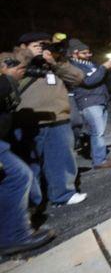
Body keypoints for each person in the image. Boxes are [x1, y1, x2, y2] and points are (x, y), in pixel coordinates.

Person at [11, 33, 87, 206]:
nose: (41, 47)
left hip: (58, 118)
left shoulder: (54, 63)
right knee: (29, 164)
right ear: (22, 46)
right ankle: (31, 202)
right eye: (35, 44)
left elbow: (78, 77)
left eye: (44, 44)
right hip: (26, 121)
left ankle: (63, 194)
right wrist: (28, 56)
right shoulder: (13, 59)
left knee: (61, 159)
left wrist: (55, 62)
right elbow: (7, 73)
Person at [0, 56, 57, 255]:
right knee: (17, 177)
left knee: (18, 178)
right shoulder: (4, 82)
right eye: (20, 68)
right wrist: (6, 79)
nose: (23, 72)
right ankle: (14, 236)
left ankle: (14, 227)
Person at [68, 39, 111, 169]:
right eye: (84, 53)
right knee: (97, 132)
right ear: (74, 53)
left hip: (100, 99)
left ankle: (99, 156)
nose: (88, 55)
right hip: (88, 101)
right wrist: (103, 68)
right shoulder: (73, 67)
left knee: (98, 131)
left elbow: (101, 78)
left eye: (89, 52)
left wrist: (109, 70)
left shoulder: (90, 64)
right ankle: (99, 161)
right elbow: (89, 81)